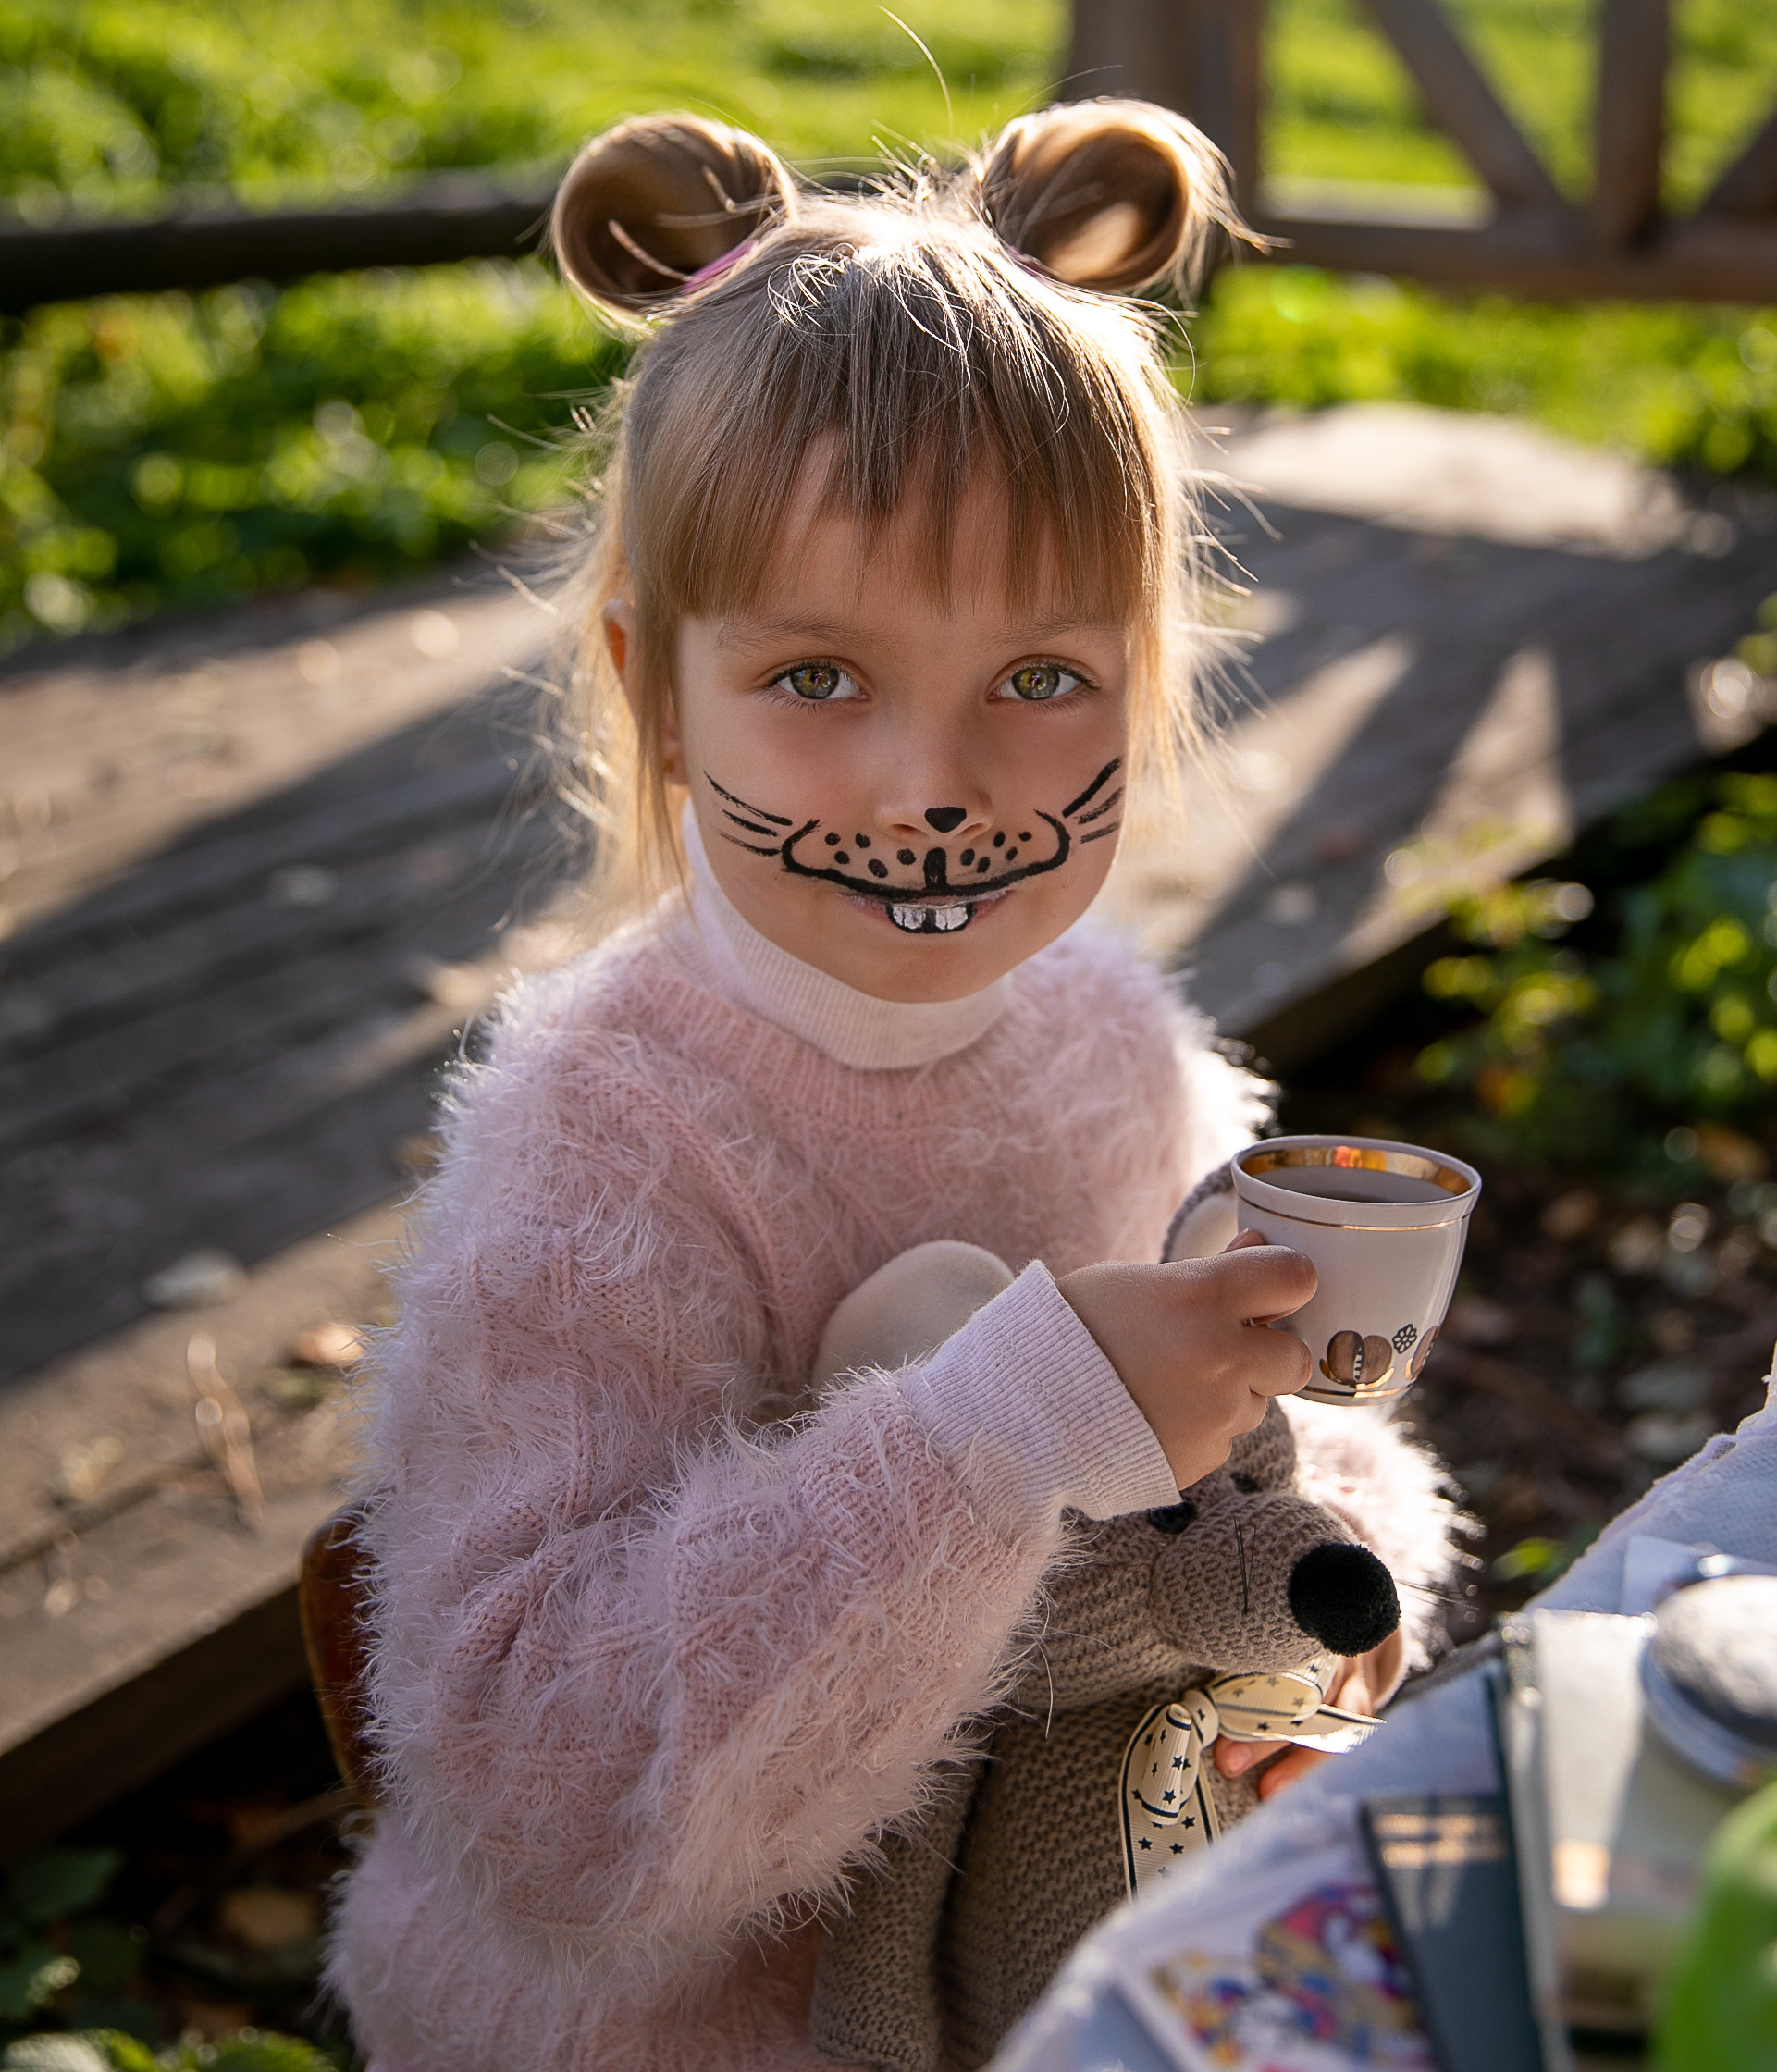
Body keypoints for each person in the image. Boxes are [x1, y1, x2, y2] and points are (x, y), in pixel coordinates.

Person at [327, 100, 1462, 2071]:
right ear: (652, 684)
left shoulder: (1110, 1040)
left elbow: (1261, 1451)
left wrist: (1335, 1558)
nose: (934, 786)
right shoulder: (602, 1149)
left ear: (1149, 668)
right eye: (818, 678)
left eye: (1040, 681)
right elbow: (546, 1821)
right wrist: (996, 1435)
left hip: (1069, 1942)